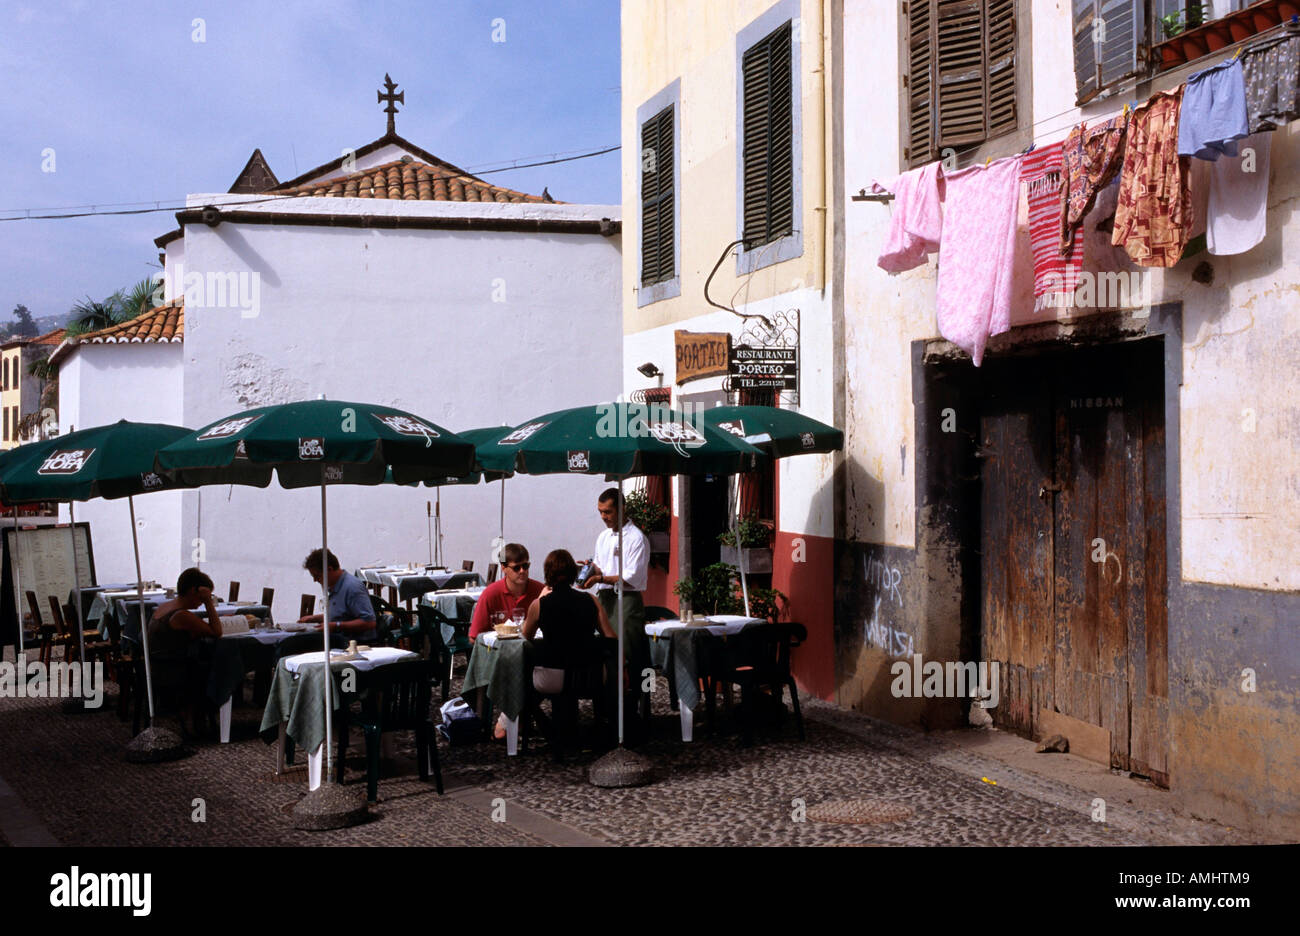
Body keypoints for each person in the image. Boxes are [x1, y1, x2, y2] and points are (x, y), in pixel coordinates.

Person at [523, 549, 616, 756]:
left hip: (553, 676)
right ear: (575, 574)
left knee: (525, 687)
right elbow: (610, 638)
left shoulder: (539, 605)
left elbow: (524, 638)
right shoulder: (591, 601)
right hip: (589, 675)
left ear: (548, 575)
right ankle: (591, 732)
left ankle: (550, 734)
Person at [578, 487, 651, 734]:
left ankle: (630, 714)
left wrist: (600, 577)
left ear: (622, 509)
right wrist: (590, 569)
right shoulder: (603, 536)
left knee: (625, 656)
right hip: (605, 599)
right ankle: (607, 713)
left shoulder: (636, 538)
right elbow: (601, 563)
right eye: (600, 512)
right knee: (604, 655)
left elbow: (631, 576)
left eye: (608, 512)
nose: (604, 517)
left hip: (627, 600)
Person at [146, 567, 224, 736]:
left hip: (156, 666)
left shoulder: (165, 607)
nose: (201, 603)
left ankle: (199, 718)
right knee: (217, 668)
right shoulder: (181, 615)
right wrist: (210, 604)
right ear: (192, 591)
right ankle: (202, 722)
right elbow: (217, 631)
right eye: (202, 598)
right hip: (172, 671)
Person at [298, 548, 378, 641]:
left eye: (317, 576)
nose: (315, 580)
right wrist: (313, 618)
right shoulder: (334, 586)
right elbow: (340, 615)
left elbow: (369, 622)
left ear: (329, 569)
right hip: (339, 638)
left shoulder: (352, 588)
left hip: (353, 642)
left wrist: (336, 626)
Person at [468, 543, 544, 640]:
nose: (522, 571)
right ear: (503, 568)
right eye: (516, 568)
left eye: (525, 566)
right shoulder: (490, 594)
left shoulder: (540, 591)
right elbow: (474, 638)